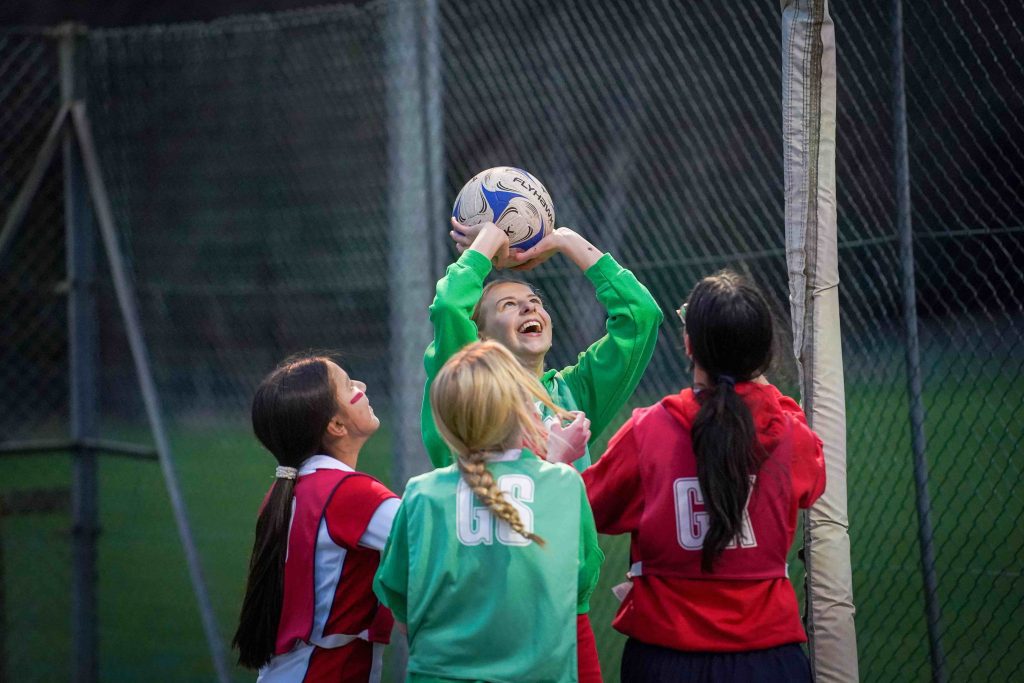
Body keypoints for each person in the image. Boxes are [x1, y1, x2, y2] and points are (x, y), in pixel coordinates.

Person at [571, 270, 826, 682]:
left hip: (666, 658)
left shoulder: (649, 430)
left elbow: (589, 507)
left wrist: (558, 461)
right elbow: (813, 479)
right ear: (764, 352)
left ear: (689, 345)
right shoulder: (790, 434)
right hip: (768, 658)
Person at [375, 340, 604, 683]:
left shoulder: (421, 493)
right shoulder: (564, 483)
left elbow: (399, 597)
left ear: (446, 421)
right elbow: (581, 582)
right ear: (525, 408)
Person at [423, 219, 663, 473]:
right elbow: (449, 306)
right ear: (480, 337)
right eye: (508, 305)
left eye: (535, 301)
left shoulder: (571, 395)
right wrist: (489, 238)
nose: (529, 307)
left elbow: (641, 316)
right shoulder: (463, 383)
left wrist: (567, 240)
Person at [233, 355, 399, 683]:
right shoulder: (352, 495)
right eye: (349, 386)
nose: (362, 387)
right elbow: (436, 538)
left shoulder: (284, 490)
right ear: (336, 426)